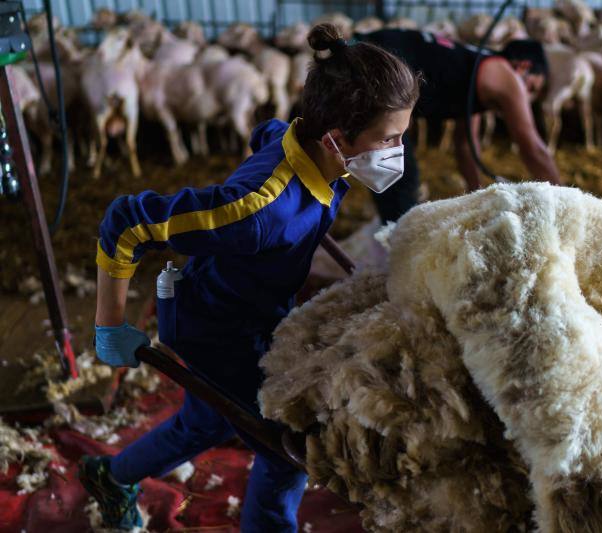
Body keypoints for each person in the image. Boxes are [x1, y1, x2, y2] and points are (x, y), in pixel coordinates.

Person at [78, 23, 419, 532]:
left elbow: (269, 134)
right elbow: (127, 221)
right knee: (285, 439)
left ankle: (111, 476)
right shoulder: (258, 212)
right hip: (216, 329)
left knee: (206, 420)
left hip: (256, 308)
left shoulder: (317, 150)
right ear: (335, 137)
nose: (398, 152)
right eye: (388, 139)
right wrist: (109, 326)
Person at [355, 28, 561, 223]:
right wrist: (565, 202)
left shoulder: (476, 73)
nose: (528, 98)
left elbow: (465, 146)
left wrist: (478, 198)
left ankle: (393, 238)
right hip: (374, 66)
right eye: (532, 87)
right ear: (523, 67)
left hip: (368, 58)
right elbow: (533, 148)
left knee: (394, 173)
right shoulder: (506, 76)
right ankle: (397, 248)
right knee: (399, 177)